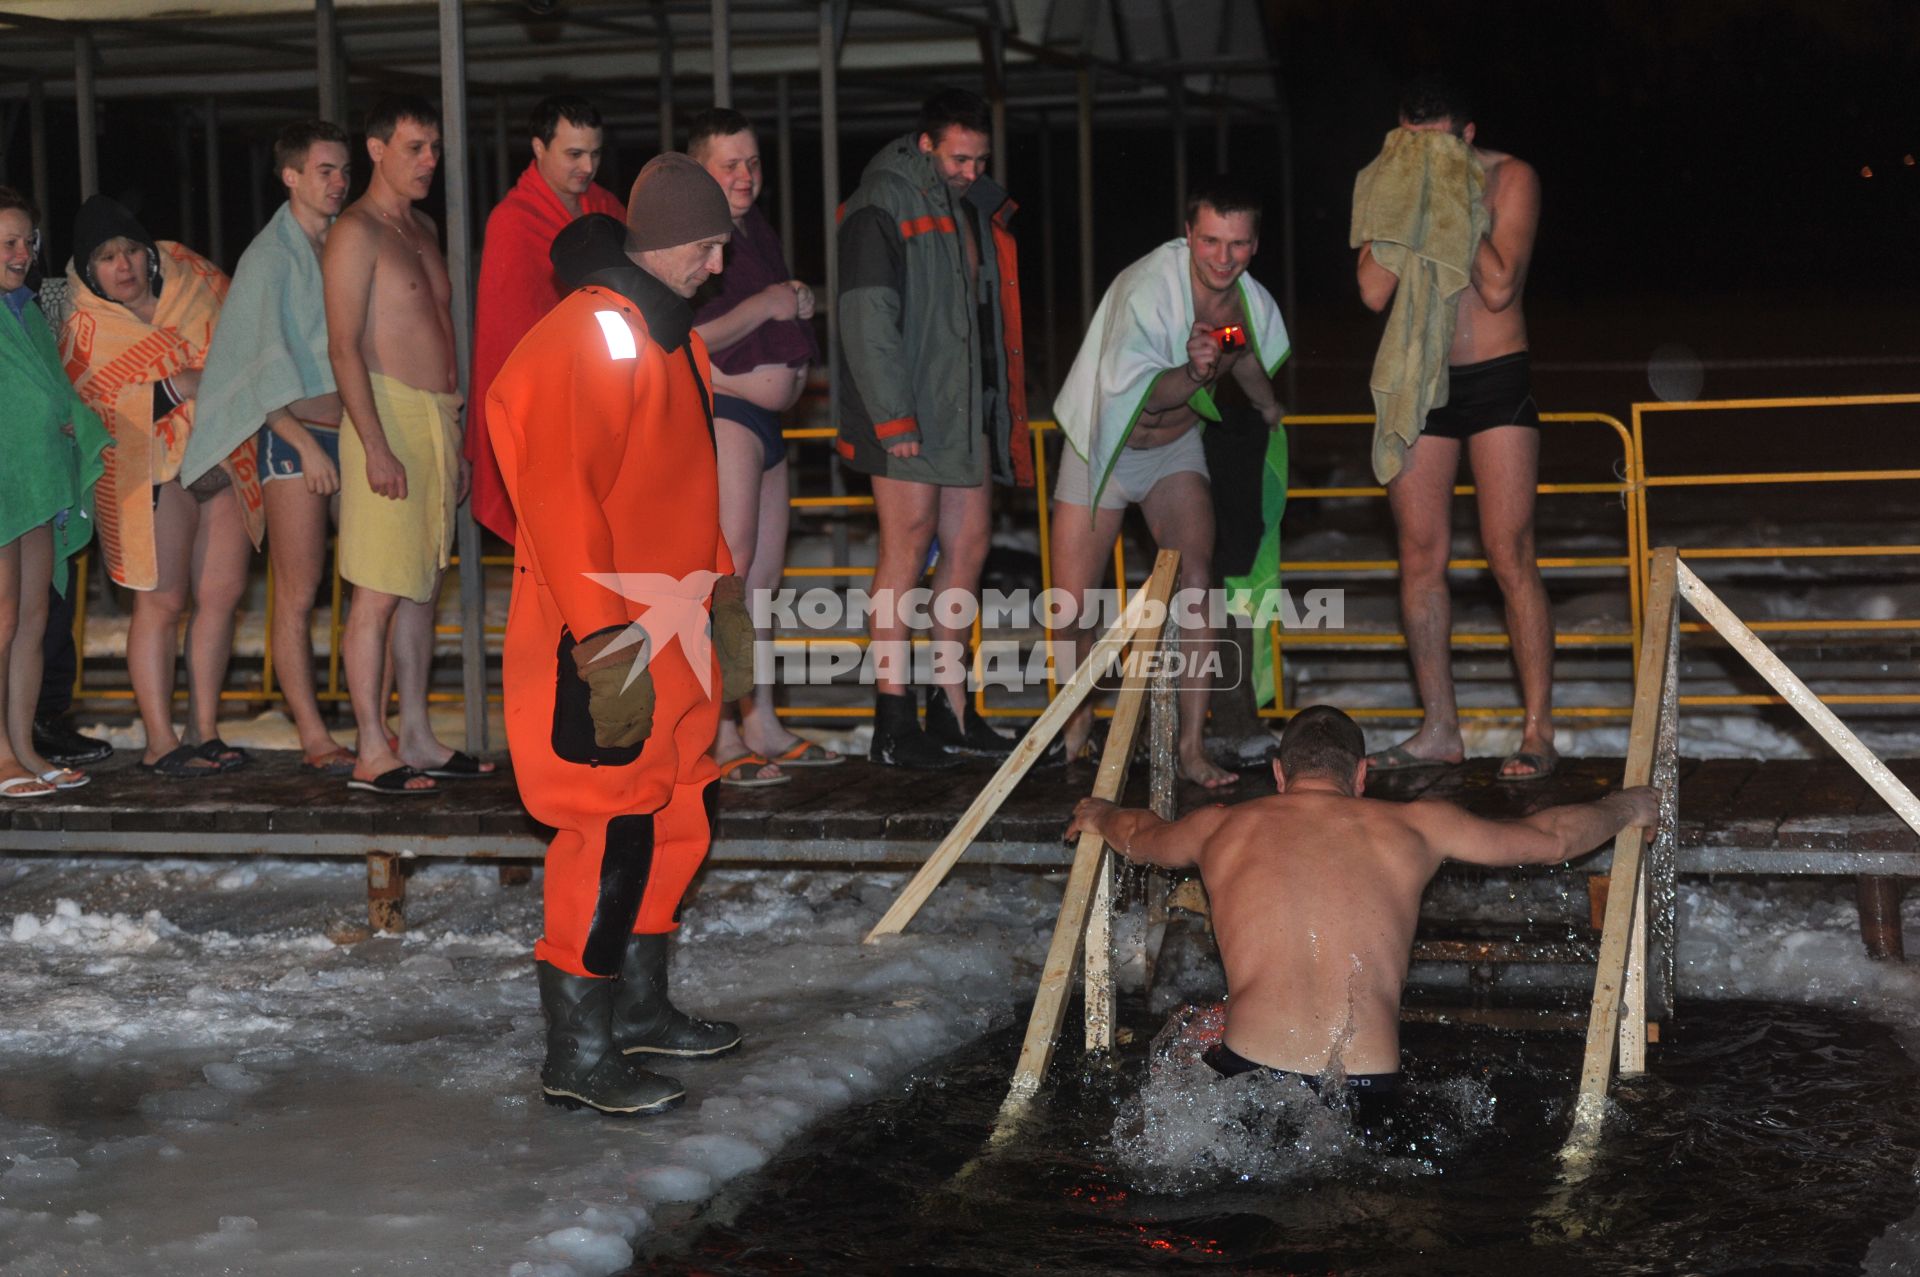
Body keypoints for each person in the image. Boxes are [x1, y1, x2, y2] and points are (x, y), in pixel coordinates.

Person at [487, 156, 747, 1116]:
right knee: (609, 830)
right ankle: (577, 1050)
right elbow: (558, 502)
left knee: (680, 814)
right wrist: (602, 648)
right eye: (710, 245)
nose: (719, 264)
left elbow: (688, 477)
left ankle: (638, 1007)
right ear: (667, 239)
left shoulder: (665, 334)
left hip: (670, 627)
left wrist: (721, 595)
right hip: (608, 639)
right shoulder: (593, 335)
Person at [1065, 705, 1657, 1117]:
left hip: (1248, 1076)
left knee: (1191, 1043)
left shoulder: (1221, 826)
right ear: (1362, 776)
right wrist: (1627, 805)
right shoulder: (1418, 824)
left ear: (1278, 775)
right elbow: (1552, 838)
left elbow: (1140, 835)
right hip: (1366, 1084)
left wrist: (1098, 814)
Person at [1052, 178, 1289, 789]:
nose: (1223, 257)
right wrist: (1191, 369)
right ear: (1189, 235)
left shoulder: (1239, 308)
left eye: (1237, 244)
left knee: (1199, 580)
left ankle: (1190, 745)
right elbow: (1145, 395)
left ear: (1254, 245)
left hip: (1173, 455)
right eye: (1210, 240)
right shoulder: (1145, 291)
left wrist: (1267, 408)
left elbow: (1242, 354)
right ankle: (1076, 725)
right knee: (1073, 602)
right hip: (1103, 446)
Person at [1355, 75, 1549, 781]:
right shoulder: (1399, 181)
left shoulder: (1509, 177)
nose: (1423, 158)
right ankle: (1440, 728)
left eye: (1436, 148)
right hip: (1422, 382)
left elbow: (1498, 285)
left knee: (1509, 550)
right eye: (1412, 146)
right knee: (1419, 556)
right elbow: (1374, 290)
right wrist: (1411, 195)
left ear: (1466, 138)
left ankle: (1538, 729)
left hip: (1496, 377)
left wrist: (1449, 198)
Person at [837, 88, 1033, 768]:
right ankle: (892, 720)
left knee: (970, 543)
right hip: (907, 410)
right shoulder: (880, 201)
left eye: (980, 159)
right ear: (926, 145)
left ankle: (951, 706)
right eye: (959, 158)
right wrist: (894, 418)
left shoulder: (969, 202)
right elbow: (865, 319)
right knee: (906, 547)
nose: (971, 172)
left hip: (960, 407)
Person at [323, 93, 495, 795]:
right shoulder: (355, 233)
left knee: (420, 587)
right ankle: (371, 745)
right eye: (415, 148)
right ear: (376, 149)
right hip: (384, 414)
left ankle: (416, 732)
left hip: (434, 417)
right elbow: (341, 349)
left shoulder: (421, 226)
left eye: (434, 149)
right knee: (377, 592)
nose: (429, 161)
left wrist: (451, 442)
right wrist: (375, 444)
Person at [61, 195, 263, 779]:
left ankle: (205, 729)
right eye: (105, 258)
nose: (122, 266)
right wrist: (179, 383)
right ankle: (158, 739)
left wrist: (201, 383)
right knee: (162, 601)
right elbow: (94, 404)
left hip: (222, 454)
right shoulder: (84, 322)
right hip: (148, 468)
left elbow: (246, 344)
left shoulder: (194, 279)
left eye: (130, 252)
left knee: (220, 599)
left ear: (148, 254)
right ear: (88, 267)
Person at [187, 120, 355, 775]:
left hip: (353, 432)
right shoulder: (269, 256)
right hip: (297, 437)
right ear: (290, 175)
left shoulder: (343, 241)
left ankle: (373, 724)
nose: (338, 182)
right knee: (298, 589)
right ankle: (313, 734)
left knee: (376, 583)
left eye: (343, 170)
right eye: (324, 170)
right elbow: (254, 366)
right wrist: (302, 447)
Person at [685, 107, 842, 788]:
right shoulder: (691, 232)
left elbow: (767, 306)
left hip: (767, 421)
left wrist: (796, 295)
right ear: (700, 170)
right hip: (728, 414)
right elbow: (686, 336)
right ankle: (716, 731)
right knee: (729, 574)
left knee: (763, 583)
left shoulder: (755, 229)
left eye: (751, 162)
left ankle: (761, 719)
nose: (744, 175)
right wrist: (771, 304)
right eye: (729, 164)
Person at [466, 94, 626, 545]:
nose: (587, 166)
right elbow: (508, 337)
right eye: (573, 154)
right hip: (544, 412)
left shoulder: (606, 207)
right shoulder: (512, 222)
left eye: (594, 154)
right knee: (553, 551)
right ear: (538, 148)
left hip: (604, 406)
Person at [0, 187, 112, 797]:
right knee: (2, 619)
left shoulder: (23, 308)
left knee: (34, 618)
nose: (21, 254)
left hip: (36, 479)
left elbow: (49, 390)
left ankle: (22, 745)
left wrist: (70, 419)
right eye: (9, 243)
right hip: (2, 483)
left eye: (27, 242)